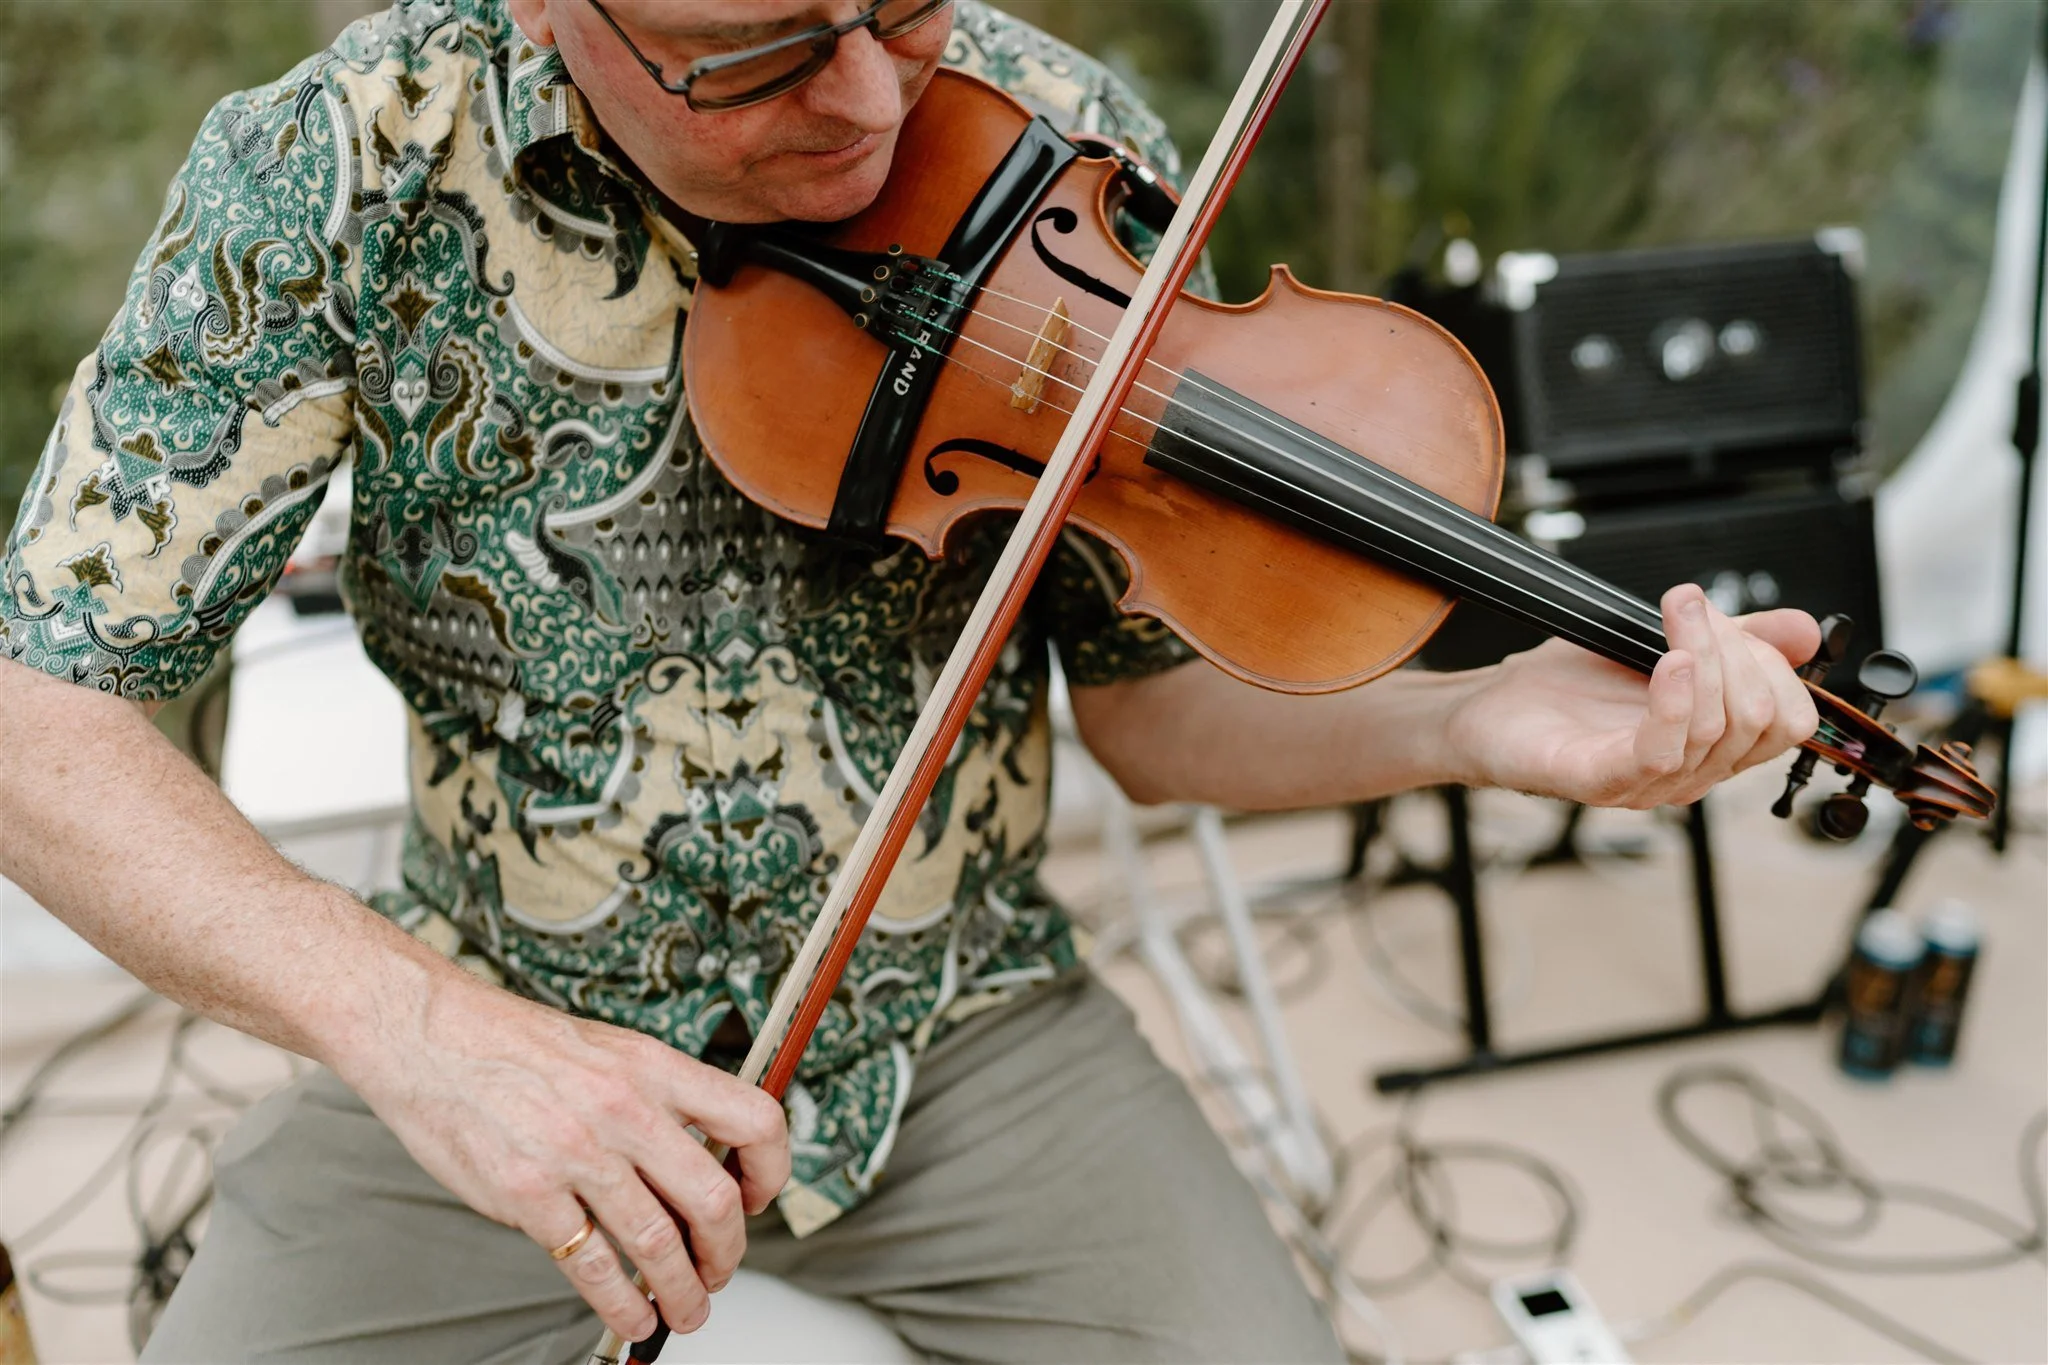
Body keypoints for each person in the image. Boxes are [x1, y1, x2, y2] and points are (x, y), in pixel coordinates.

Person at [0, 1, 1822, 1360]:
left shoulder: (1059, 146)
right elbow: (37, 713)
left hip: (964, 1029)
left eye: (903, 6)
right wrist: (426, 1040)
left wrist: (1474, 721)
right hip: (508, 1009)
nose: (871, 104)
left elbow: (1150, 714)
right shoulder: (337, 167)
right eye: (760, 55)